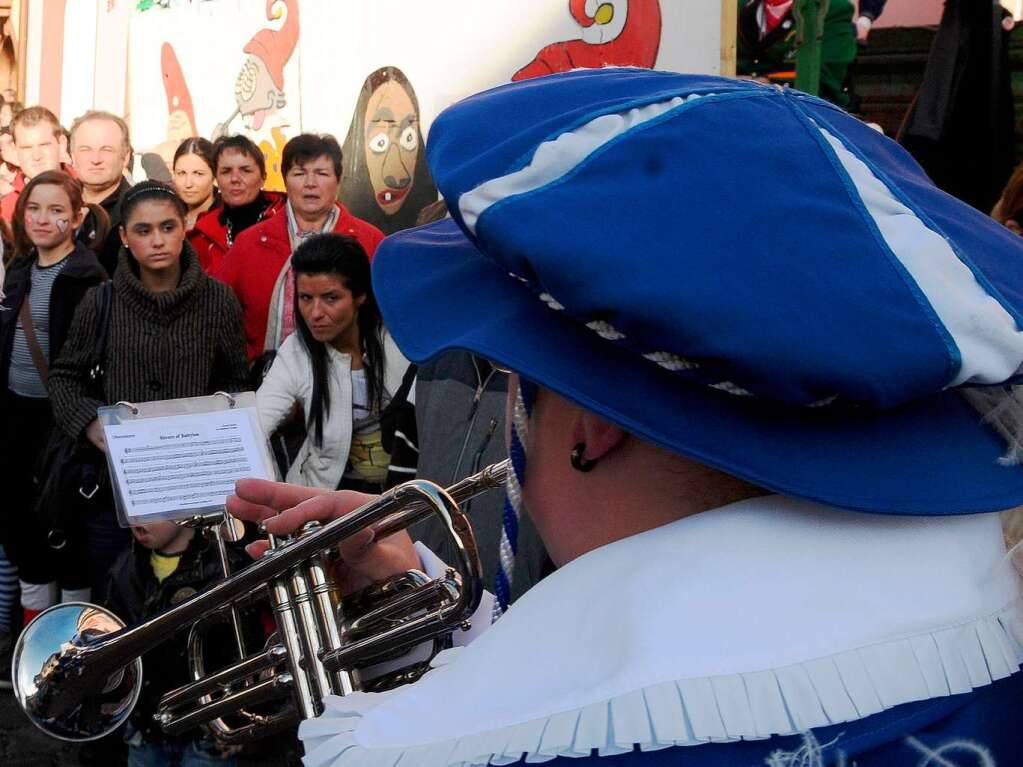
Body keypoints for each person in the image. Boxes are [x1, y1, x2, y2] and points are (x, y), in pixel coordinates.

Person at [229, 69, 1023, 765]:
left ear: (590, 424)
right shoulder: (987, 634)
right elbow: (680, 665)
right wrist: (436, 606)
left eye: (519, 375)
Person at [49, 181, 249, 599]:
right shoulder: (100, 302)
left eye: (167, 227)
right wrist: (90, 423)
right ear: (124, 236)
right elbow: (64, 376)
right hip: (116, 489)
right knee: (118, 604)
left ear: (185, 228)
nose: (157, 240)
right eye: (143, 230)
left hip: (197, 489)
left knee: (196, 607)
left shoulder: (218, 301)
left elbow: (235, 384)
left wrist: (211, 427)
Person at [0, 171, 108, 632]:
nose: (43, 219)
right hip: (15, 415)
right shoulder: (21, 270)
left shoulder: (89, 278)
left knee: (65, 531)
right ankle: (33, 636)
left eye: (56, 210)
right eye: (34, 209)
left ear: (77, 217)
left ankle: (70, 642)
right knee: (20, 528)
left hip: (63, 419)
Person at [257, 233, 415, 493]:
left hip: (400, 495)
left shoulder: (399, 340)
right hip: (321, 499)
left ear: (360, 296)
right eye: (306, 298)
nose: (315, 313)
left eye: (331, 298)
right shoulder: (298, 350)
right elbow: (259, 422)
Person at [214, 133, 384, 361]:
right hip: (263, 380)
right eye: (299, 173)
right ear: (285, 180)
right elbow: (215, 311)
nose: (310, 183)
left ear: (338, 180)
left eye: (322, 173)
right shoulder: (249, 243)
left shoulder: (370, 240)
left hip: (351, 378)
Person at [105, 520, 253, 766]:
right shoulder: (124, 567)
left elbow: (244, 650)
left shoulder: (225, 566)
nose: (139, 520)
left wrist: (236, 720)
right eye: (133, 505)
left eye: (153, 505)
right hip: (145, 728)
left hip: (208, 733)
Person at [188, 135, 285, 274]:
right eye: (226, 171)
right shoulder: (201, 236)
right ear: (216, 179)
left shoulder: (287, 222)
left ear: (263, 177)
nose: (235, 179)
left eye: (245, 170)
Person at [69, 110, 134, 277]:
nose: (95, 159)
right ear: (72, 156)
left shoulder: (139, 210)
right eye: (86, 149)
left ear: (125, 157)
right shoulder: (56, 205)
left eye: (106, 149)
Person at [0, 106, 73, 223]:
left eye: (44, 145)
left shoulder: (86, 190)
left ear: (62, 144)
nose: (36, 156)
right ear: (15, 151)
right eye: (26, 148)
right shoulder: (6, 211)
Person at [172, 137, 218, 230]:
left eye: (198, 174)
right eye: (181, 173)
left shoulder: (227, 222)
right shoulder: (165, 217)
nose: (188, 184)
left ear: (215, 176)